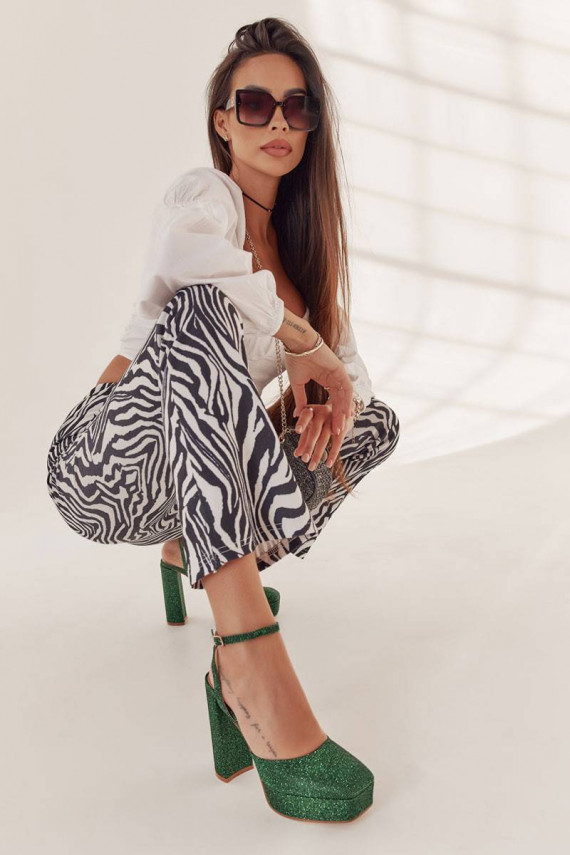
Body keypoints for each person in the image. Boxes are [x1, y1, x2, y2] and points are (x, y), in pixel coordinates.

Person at [46, 18, 400, 823]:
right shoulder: (205, 198)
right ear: (222, 121)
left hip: (192, 493)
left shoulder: (307, 266)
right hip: (103, 462)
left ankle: (195, 548)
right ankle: (246, 657)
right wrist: (302, 343)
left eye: (297, 107)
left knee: (374, 423)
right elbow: (185, 260)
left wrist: (315, 395)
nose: (278, 121)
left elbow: (353, 386)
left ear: (312, 127)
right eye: (254, 103)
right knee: (202, 307)